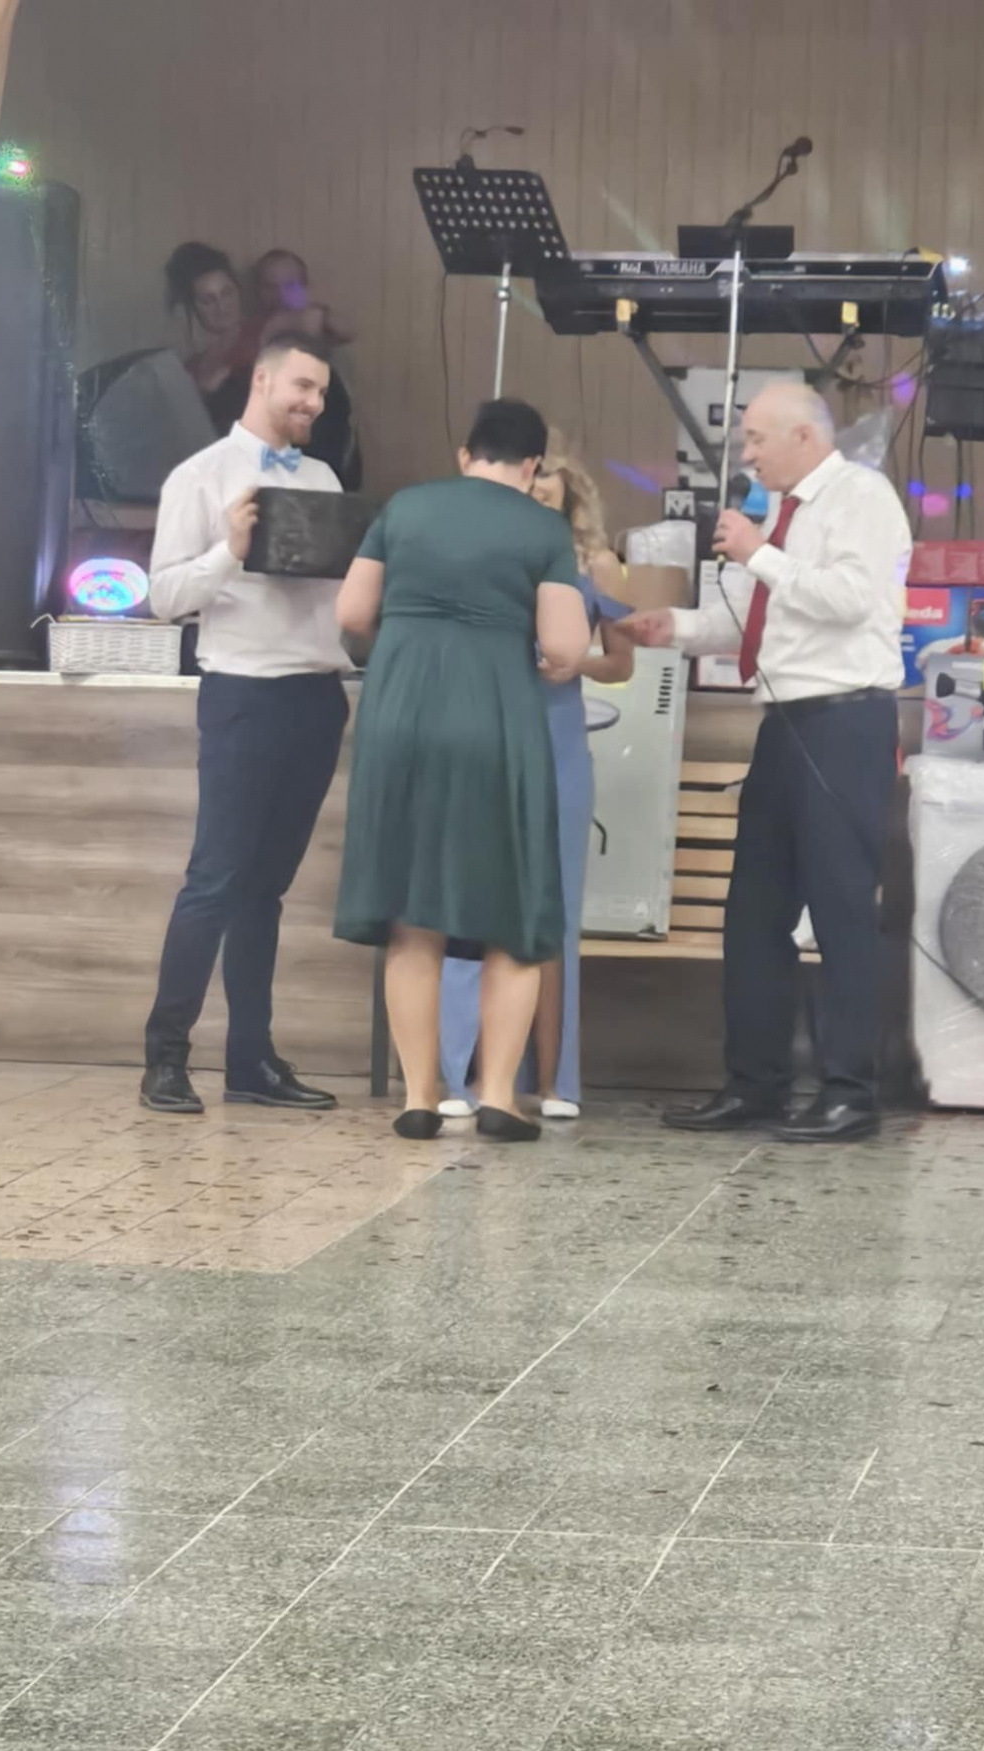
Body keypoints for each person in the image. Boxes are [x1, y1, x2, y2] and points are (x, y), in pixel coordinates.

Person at [621, 381, 911, 1144]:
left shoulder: (862, 497)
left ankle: (850, 1093)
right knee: (753, 912)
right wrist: (675, 627)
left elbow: (850, 600)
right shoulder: (777, 518)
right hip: (782, 725)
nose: (745, 455)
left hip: (846, 720)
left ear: (804, 437)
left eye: (755, 439)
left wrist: (760, 553)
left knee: (841, 910)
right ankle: (755, 1084)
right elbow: (751, 620)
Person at [333, 398, 591, 1143]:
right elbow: (566, 646)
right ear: (533, 466)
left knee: (413, 916)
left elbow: (351, 614)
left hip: (400, 713)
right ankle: (499, 1096)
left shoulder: (404, 508)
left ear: (464, 454)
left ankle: (420, 1097)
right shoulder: (543, 528)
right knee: (513, 908)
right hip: (495, 716)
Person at [140, 331, 352, 1116]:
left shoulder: (325, 478)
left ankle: (250, 1061)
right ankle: (165, 1059)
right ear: (262, 381)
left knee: (266, 890)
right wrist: (230, 550)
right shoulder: (199, 476)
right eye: (302, 386)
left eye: (321, 392)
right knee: (216, 880)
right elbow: (164, 599)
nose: (314, 403)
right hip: (243, 695)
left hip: (317, 697)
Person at [438, 434, 633, 1121]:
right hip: (487, 737)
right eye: (528, 478)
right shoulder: (485, 553)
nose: (536, 487)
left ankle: (556, 1082)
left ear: (569, 489)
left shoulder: (598, 565)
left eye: (547, 477)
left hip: (559, 741)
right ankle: (463, 1077)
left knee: (556, 915)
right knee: (475, 905)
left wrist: (576, 664)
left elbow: (622, 664)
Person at [249, 250, 362, 489]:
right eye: (270, 287)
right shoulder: (249, 335)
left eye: (290, 286)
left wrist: (308, 313)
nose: (280, 295)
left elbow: (350, 328)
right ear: (257, 291)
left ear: (304, 288)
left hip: (332, 469)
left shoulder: (324, 329)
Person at [164, 241, 255, 435]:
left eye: (227, 293)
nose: (222, 307)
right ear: (192, 307)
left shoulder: (264, 334)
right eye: (207, 300)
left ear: (239, 291)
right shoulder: (190, 368)